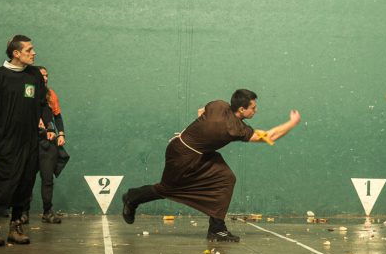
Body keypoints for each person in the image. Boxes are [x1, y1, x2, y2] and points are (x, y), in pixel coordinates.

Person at [121, 89, 301, 242]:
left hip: (196, 151)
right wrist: (292, 123)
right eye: (253, 108)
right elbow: (269, 136)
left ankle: (216, 227)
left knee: (226, 178)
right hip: (182, 156)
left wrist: (203, 136)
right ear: (241, 109)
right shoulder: (234, 129)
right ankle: (132, 198)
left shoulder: (219, 104)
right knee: (166, 189)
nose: (256, 110)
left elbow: (201, 112)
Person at [0, 36, 44, 246]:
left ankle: (16, 227)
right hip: (5, 142)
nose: (34, 53)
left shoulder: (34, 75)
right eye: (29, 50)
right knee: (1, 184)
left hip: (30, 141)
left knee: (25, 184)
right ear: (16, 53)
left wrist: (43, 126)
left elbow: (41, 103)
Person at [30, 65, 68, 224]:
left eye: (46, 76)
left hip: (48, 143)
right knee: (27, 179)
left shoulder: (51, 94)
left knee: (47, 179)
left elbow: (57, 116)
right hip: (30, 143)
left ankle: (47, 212)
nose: (45, 78)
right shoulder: (28, 94)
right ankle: (22, 213)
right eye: (42, 76)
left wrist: (61, 133)